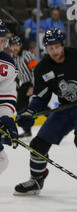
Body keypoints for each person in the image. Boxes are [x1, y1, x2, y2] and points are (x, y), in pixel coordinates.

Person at [14, 28, 77, 201]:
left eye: (57, 47)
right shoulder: (43, 68)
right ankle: (36, 180)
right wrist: (29, 112)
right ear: (45, 48)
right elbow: (41, 98)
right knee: (38, 144)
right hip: (66, 108)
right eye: (50, 48)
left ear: (62, 45)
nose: (54, 52)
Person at [6, 35, 38, 138]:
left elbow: (35, 70)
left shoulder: (27, 55)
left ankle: (28, 129)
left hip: (28, 83)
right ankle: (27, 130)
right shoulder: (13, 58)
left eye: (17, 45)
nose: (15, 47)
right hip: (21, 85)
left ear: (21, 46)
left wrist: (33, 86)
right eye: (13, 45)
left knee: (22, 107)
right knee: (22, 108)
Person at [0, 19, 18, 174]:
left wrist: (5, 118)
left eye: (2, 40)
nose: (0, 45)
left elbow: (6, 96)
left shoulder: (6, 64)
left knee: (1, 160)